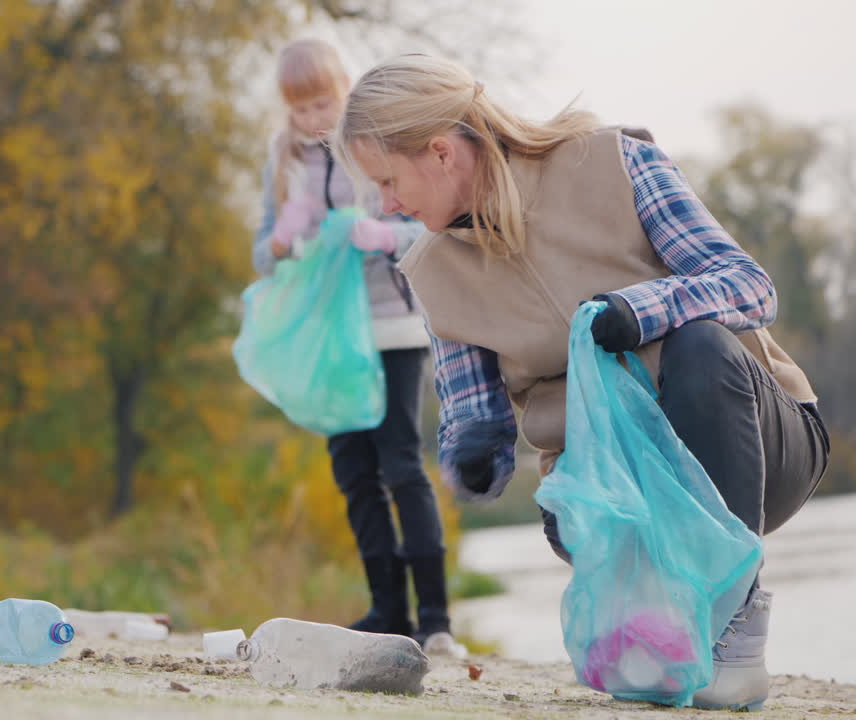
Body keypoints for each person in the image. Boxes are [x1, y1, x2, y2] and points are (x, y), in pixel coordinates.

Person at [336, 53, 829, 710]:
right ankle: (661, 635)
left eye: (388, 180)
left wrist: (640, 310)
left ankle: (733, 636)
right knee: (561, 506)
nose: (386, 204)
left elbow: (749, 286)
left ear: (441, 153)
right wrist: (474, 454)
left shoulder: (615, 161)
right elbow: (471, 414)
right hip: (620, 487)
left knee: (699, 346)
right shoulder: (433, 272)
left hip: (760, 445)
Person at [253, 39, 465, 657]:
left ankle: (436, 618)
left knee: (401, 462)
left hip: (393, 327)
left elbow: (431, 229)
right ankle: (387, 611)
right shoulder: (284, 159)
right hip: (329, 340)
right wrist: (284, 241)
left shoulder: (377, 141)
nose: (313, 119)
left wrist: (383, 236)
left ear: (344, 91)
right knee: (352, 471)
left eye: (322, 103)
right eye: (300, 109)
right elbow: (263, 253)